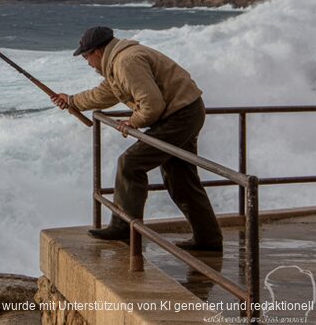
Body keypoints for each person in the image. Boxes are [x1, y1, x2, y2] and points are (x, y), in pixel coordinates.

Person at [50, 26, 223, 252]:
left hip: (180, 115)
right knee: (180, 178)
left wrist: (135, 121)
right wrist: (72, 101)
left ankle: (124, 226)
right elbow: (106, 93)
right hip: (186, 110)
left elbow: (152, 104)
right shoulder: (118, 62)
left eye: (86, 56)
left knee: (130, 163)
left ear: (98, 52)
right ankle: (208, 238)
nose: (87, 63)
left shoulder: (126, 62)